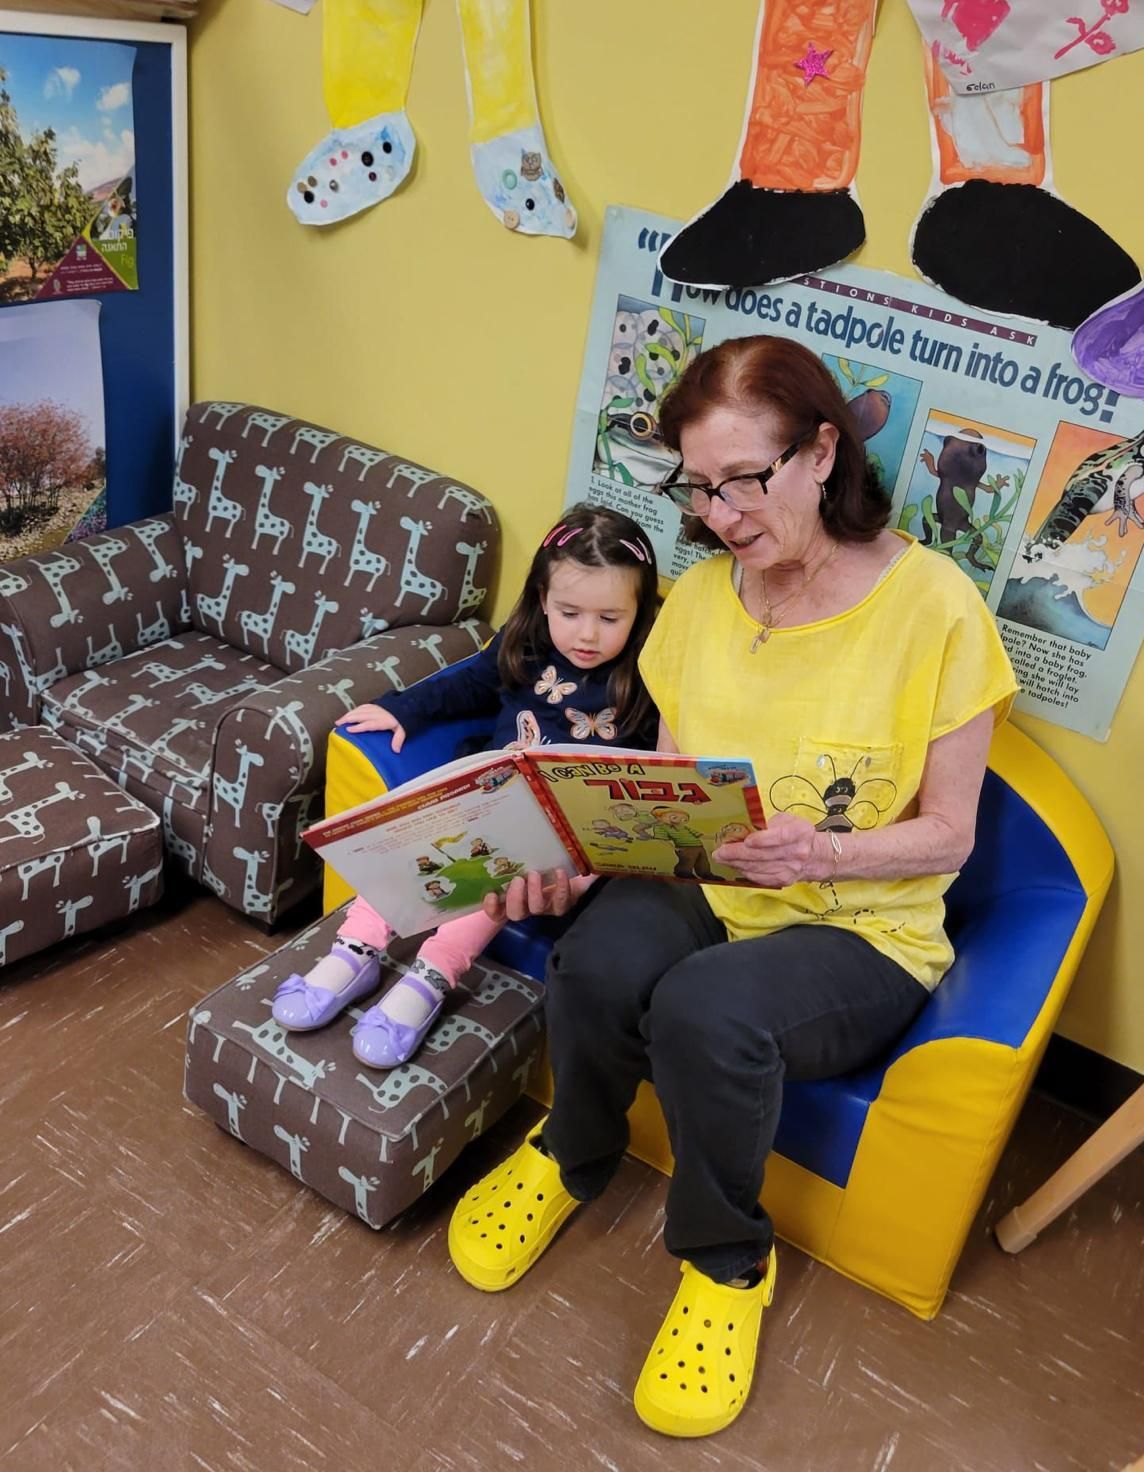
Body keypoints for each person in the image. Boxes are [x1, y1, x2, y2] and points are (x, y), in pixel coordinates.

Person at [445, 335, 1018, 1440]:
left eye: (745, 479)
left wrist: (823, 855)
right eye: (699, 487)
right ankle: (574, 1150)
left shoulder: (936, 606)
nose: (721, 514)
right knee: (599, 959)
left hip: (859, 923)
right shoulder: (703, 600)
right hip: (717, 877)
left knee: (707, 1008)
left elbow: (948, 834)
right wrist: (572, 849)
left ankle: (724, 1260)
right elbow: (662, 786)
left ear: (820, 452)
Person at [271, 503, 660, 1068]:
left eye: (609, 618)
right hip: (490, 796)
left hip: (563, 837)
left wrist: (591, 867)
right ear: (543, 600)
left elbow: (635, 788)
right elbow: (471, 682)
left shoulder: (645, 677)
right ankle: (356, 948)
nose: (586, 634)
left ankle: (433, 975)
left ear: (639, 614)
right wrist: (402, 710)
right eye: (569, 611)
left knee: (495, 871)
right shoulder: (529, 642)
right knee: (420, 839)